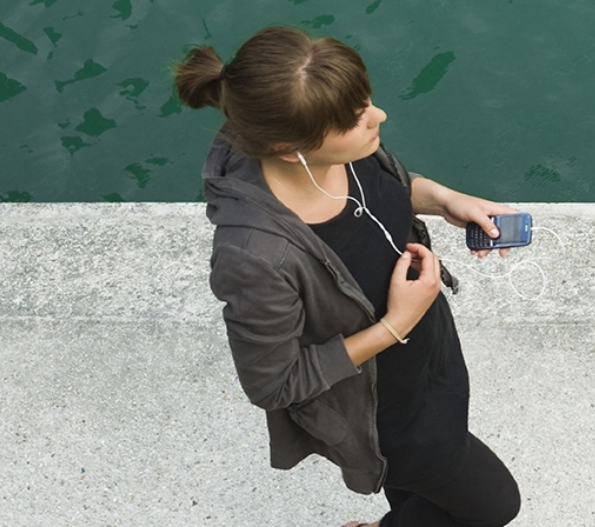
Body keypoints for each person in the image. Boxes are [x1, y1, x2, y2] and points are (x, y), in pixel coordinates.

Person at [178, 26, 521, 527]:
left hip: (426, 357)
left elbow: (393, 187)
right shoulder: (254, 256)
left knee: (417, 491)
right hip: (382, 410)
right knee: (493, 505)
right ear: (290, 148)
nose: (379, 117)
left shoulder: (335, 145)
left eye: (367, 102)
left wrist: (446, 199)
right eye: (358, 118)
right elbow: (274, 384)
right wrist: (395, 324)